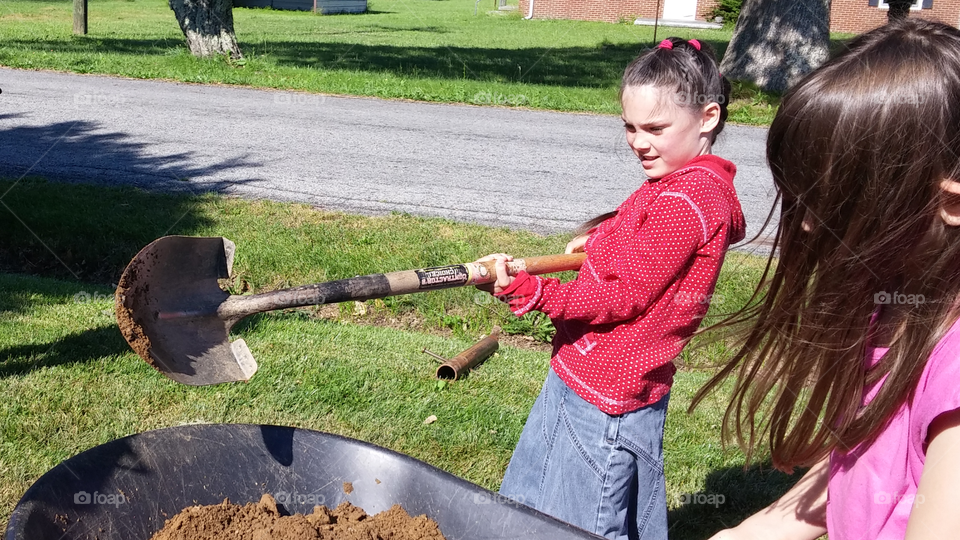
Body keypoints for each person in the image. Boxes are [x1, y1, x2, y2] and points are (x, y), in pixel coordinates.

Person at [692, 19, 960, 540]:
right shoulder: (894, 305)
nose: (808, 221)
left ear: (949, 202)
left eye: (834, 195)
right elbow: (862, 464)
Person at [477, 37, 746, 540]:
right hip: (585, 371)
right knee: (537, 501)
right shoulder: (678, 181)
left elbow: (623, 294)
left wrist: (534, 293)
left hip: (610, 395)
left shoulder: (688, 199)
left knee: (586, 521)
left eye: (654, 128)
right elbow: (639, 235)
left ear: (707, 117)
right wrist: (601, 238)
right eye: (629, 127)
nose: (638, 142)